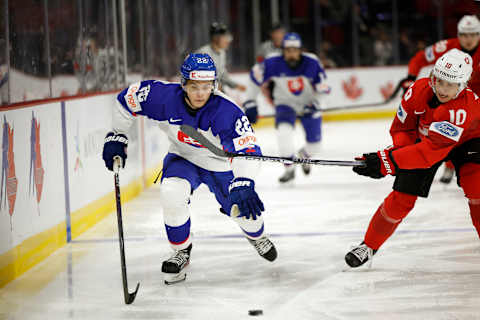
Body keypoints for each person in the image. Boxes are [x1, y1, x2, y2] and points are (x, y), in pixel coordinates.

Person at [102, 53, 277, 284]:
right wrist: (118, 133)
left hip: (220, 165)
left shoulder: (227, 111)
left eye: (206, 87)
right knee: (171, 193)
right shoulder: (162, 97)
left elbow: (247, 150)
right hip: (183, 157)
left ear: (214, 85)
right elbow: (127, 100)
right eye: (194, 86)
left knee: (244, 213)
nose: (200, 93)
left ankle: (257, 235)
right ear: (183, 83)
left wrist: (244, 180)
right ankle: (181, 252)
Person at [345, 48, 480, 268]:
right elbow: (402, 129)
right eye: (440, 81)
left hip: (469, 141)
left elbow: (428, 154)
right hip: (428, 141)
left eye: (451, 84)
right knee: (401, 200)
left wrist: (387, 161)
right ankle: (369, 245)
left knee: (476, 186)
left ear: (463, 85)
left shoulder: (462, 109)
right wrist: (395, 156)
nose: (443, 89)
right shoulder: (417, 90)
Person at [397, 15, 480, 184]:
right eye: (464, 34)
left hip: (474, 99)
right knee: (446, 128)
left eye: (473, 34)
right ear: (458, 34)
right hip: (451, 97)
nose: (468, 39)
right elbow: (419, 59)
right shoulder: (447, 47)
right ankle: (449, 163)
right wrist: (411, 77)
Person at [243, 32, 329, 183]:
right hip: (285, 104)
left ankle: (303, 156)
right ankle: (289, 169)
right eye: (288, 50)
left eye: (295, 50)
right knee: (284, 134)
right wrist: (250, 102)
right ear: (282, 50)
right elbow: (254, 78)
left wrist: (316, 104)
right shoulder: (272, 63)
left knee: (315, 145)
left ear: (300, 50)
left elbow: (323, 88)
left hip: (308, 104)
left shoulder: (312, 62)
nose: (291, 54)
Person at [195, 22, 246, 92]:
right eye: (225, 37)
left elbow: (222, 74)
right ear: (215, 38)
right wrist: (213, 86)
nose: (228, 41)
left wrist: (235, 85)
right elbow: (195, 76)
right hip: (202, 93)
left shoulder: (222, 53)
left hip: (216, 91)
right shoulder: (203, 53)